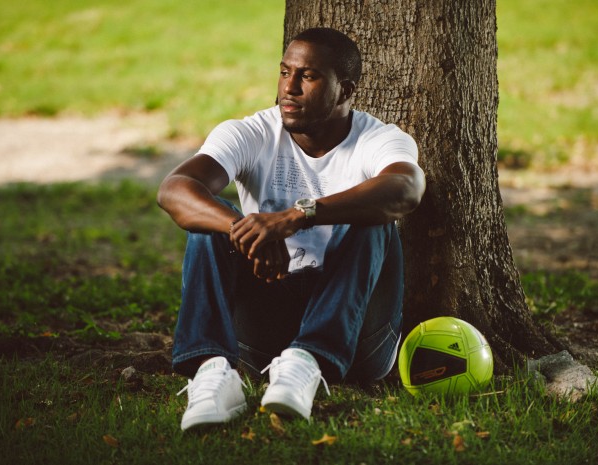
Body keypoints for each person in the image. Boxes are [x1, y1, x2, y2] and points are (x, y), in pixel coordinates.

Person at [157, 27, 425, 431]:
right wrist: (247, 229)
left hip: (356, 334)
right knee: (209, 223)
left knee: (372, 220)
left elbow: (405, 189)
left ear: (345, 91)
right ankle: (212, 374)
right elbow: (175, 189)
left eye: (309, 76)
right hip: (264, 328)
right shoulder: (251, 132)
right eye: (285, 72)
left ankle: (309, 362)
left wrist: (298, 215)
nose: (290, 88)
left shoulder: (379, 139)